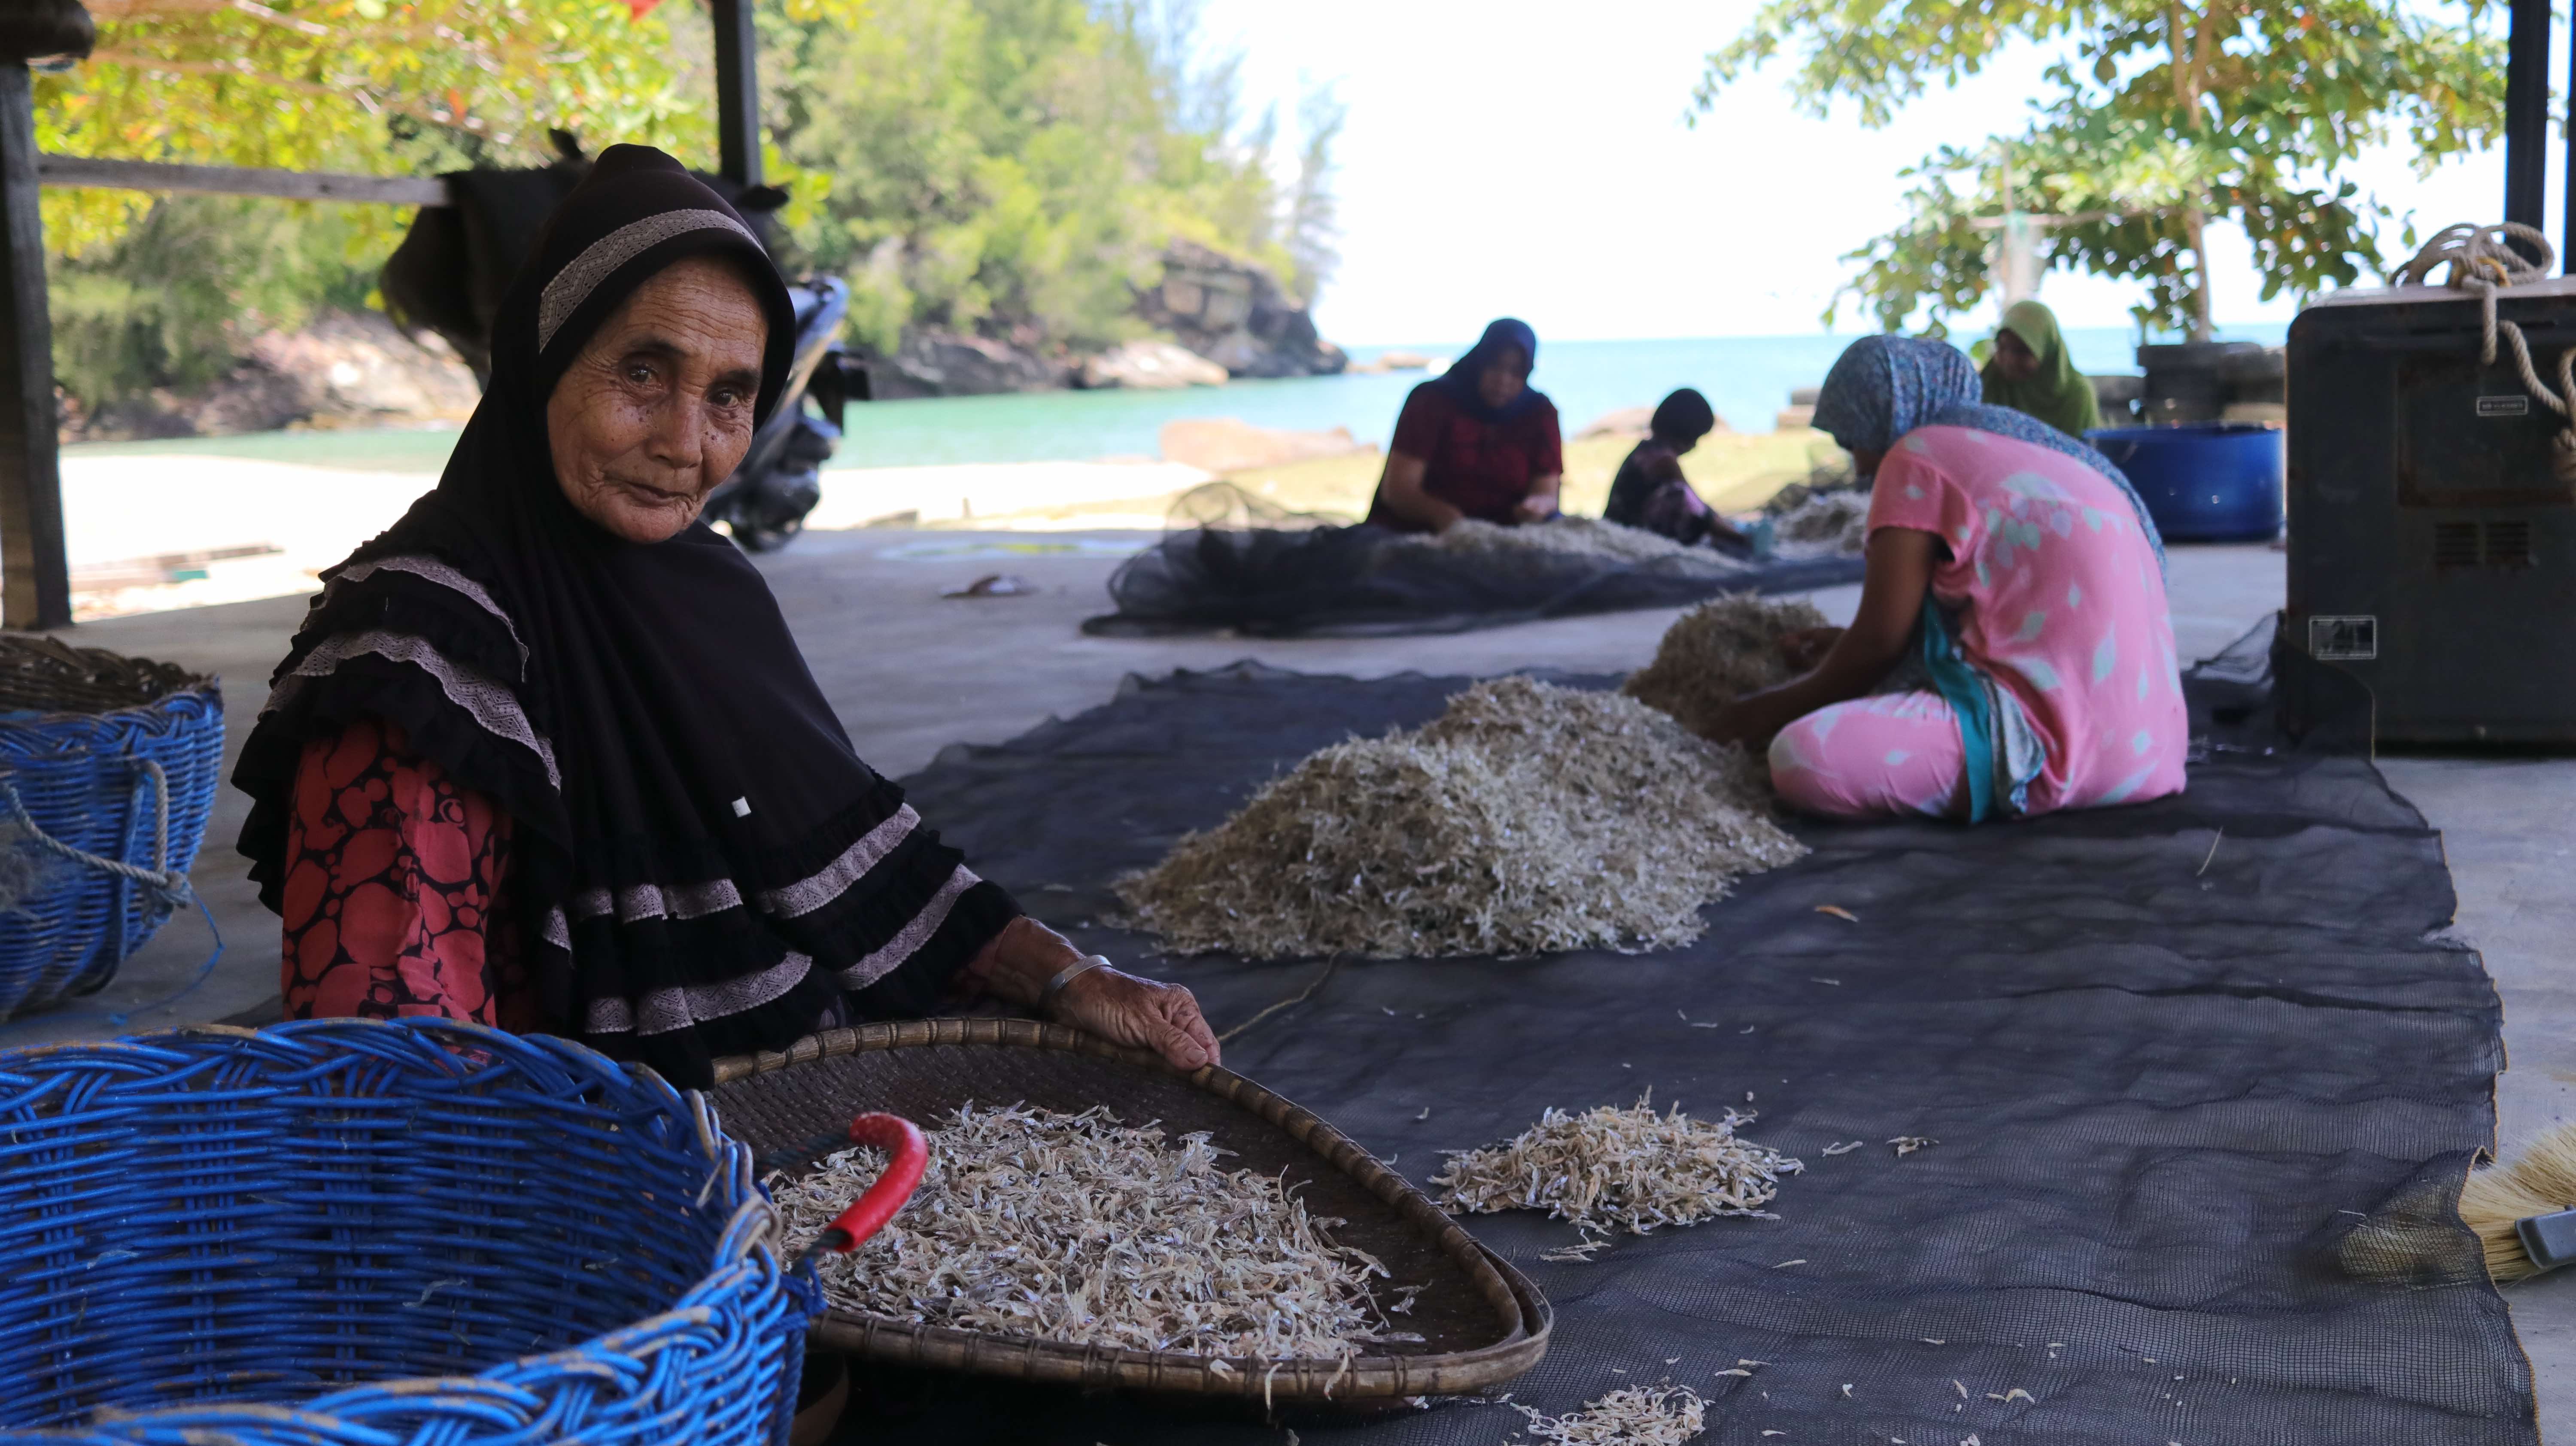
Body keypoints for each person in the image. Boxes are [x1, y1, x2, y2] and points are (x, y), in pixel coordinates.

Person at [233, 146, 1220, 1088]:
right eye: (642, 375)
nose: (685, 443)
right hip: (569, 1168)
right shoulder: (419, 658)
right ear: (544, 355)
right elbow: (395, 1060)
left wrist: (1065, 977)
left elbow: (870, 867)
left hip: (796, 1105)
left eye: (730, 396)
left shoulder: (709, 590)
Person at [1702, 335, 2185, 822]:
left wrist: (1757, 714)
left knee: (1803, 755)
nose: (1860, 464)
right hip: (2151, 755)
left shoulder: (1916, 454)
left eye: (1855, 438)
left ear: (1887, 413)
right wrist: (1840, 645)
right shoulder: (2046, 448)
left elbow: (1877, 646)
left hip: (2050, 750)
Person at [1366, 318, 1563, 532]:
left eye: (1516, 372)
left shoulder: (1540, 412)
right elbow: (1399, 490)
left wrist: (1536, 507)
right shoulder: (1431, 400)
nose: (1503, 379)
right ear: (1480, 361)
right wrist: (1440, 514)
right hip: (1422, 530)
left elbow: (1546, 492)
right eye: (1496, 366)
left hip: (1509, 534)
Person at [1601, 387, 1752, 552]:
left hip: (1618, 532)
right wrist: (1742, 538)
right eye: (1697, 437)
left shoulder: (1646, 451)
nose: (1695, 445)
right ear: (1687, 434)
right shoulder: (1662, 461)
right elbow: (1700, 513)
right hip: (1625, 540)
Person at [1981, 298, 2102, 437]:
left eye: (2022, 351)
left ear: (2047, 351)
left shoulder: (2076, 395)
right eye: (2002, 348)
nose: (2009, 361)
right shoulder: (1991, 382)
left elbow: (2083, 454)